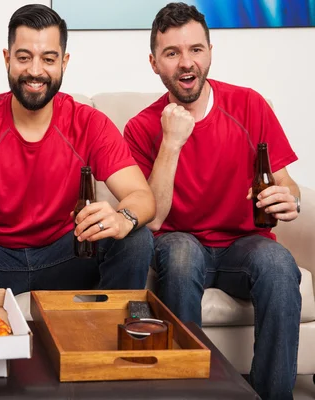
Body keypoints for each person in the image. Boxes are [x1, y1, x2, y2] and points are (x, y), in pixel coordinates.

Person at [123, 3, 301, 399]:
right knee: (183, 253)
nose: (186, 63)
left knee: (277, 262)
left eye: (196, 50)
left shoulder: (250, 106)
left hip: (244, 246)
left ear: (210, 52)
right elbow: (151, 220)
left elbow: (290, 185)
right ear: (154, 63)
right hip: (178, 241)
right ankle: (192, 392)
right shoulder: (139, 127)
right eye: (172, 53)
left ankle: (274, 394)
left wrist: (290, 200)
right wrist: (171, 143)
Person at [0, 4, 156, 295]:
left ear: (64, 62)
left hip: (67, 255)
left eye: (48, 59)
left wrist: (124, 218)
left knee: (136, 238)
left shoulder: (89, 123)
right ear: (7, 59)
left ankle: (104, 333)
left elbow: (142, 197)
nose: (35, 71)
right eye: (23, 57)